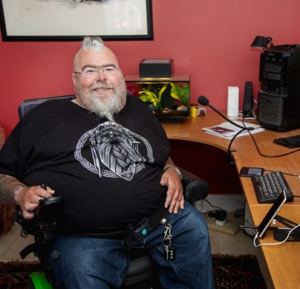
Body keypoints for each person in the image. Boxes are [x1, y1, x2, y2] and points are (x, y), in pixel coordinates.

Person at [0, 36, 215, 289]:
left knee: (194, 227)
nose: (101, 77)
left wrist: (171, 168)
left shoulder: (138, 109)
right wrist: (19, 192)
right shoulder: (43, 118)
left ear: (120, 76)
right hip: (85, 236)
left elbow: (160, 154)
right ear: (75, 79)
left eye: (109, 69)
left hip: (162, 220)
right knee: (81, 270)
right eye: (90, 70)